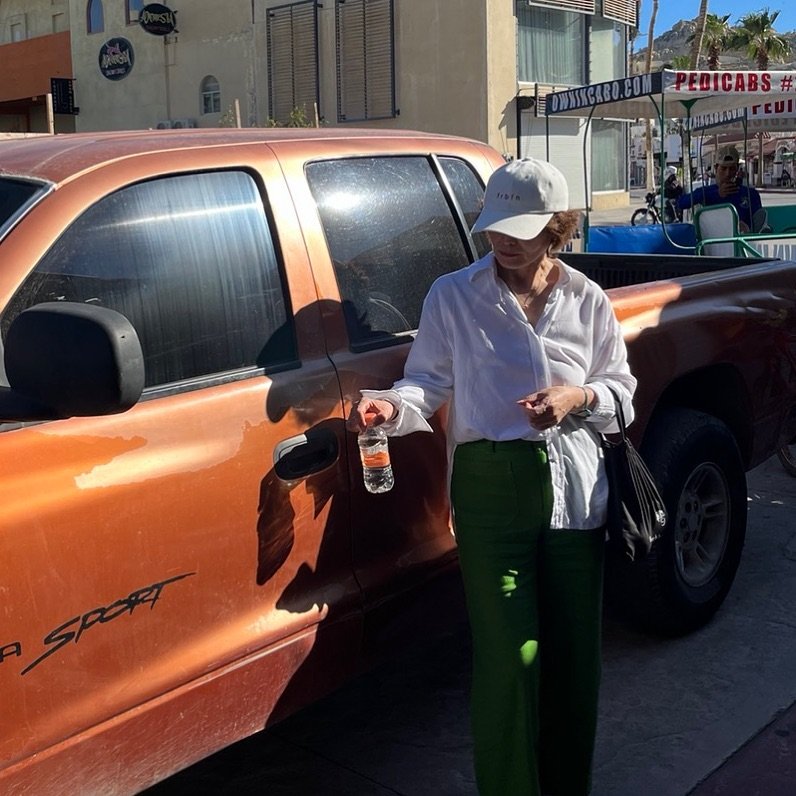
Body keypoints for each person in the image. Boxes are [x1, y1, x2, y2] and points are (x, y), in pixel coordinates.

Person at [348, 158, 636, 795]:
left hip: (576, 492)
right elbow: (426, 383)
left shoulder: (586, 299)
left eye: (521, 229)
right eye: (495, 226)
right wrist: (391, 408)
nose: (503, 240)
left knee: (572, 659)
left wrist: (578, 399)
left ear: (557, 230)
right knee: (509, 660)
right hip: (487, 488)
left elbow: (622, 390)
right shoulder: (452, 294)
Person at [677, 145, 763, 232]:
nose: (727, 173)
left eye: (732, 169)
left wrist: (747, 228)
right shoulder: (706, 192)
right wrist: (715, 194)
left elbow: (759, 222)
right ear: (716, 168)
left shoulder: (750, 194)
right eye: (723, 168)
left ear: (737, 169)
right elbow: (681, 203)